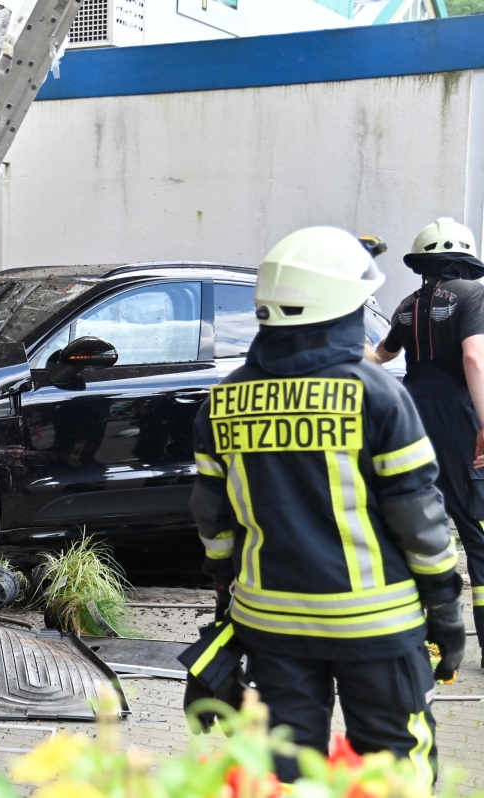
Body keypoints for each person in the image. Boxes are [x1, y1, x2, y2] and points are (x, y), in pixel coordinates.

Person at [190, 227, 465, 784]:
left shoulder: (223, 400)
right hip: (377, 626)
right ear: (340, 303)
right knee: (394, 764)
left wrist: (226, 594)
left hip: (271, 623)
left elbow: (213, 521)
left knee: (288, 771)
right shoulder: (377, 394)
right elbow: (420, 519)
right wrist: (446, 613)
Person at [368, 217, 484, 662]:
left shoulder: (406, 305)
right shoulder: (473, 295)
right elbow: (474, 356)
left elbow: (380, 354)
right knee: (476, 531)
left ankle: (417, 641)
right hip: (459, 420)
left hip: (411, 418)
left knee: (416, 527)